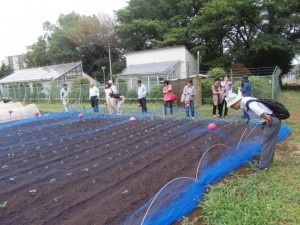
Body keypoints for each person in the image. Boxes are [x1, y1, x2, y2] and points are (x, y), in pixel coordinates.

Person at [225, 93, 281, 171]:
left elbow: (260, 112)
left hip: (271, 121)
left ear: (235, 102)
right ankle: (266, 160)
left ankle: (263, 166)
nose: (231, 107)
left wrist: (268, 120)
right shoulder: (245, 101)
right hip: (270, 121)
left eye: (231, 105)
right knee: (268, 143)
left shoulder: (247, 103)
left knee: (266, 143)